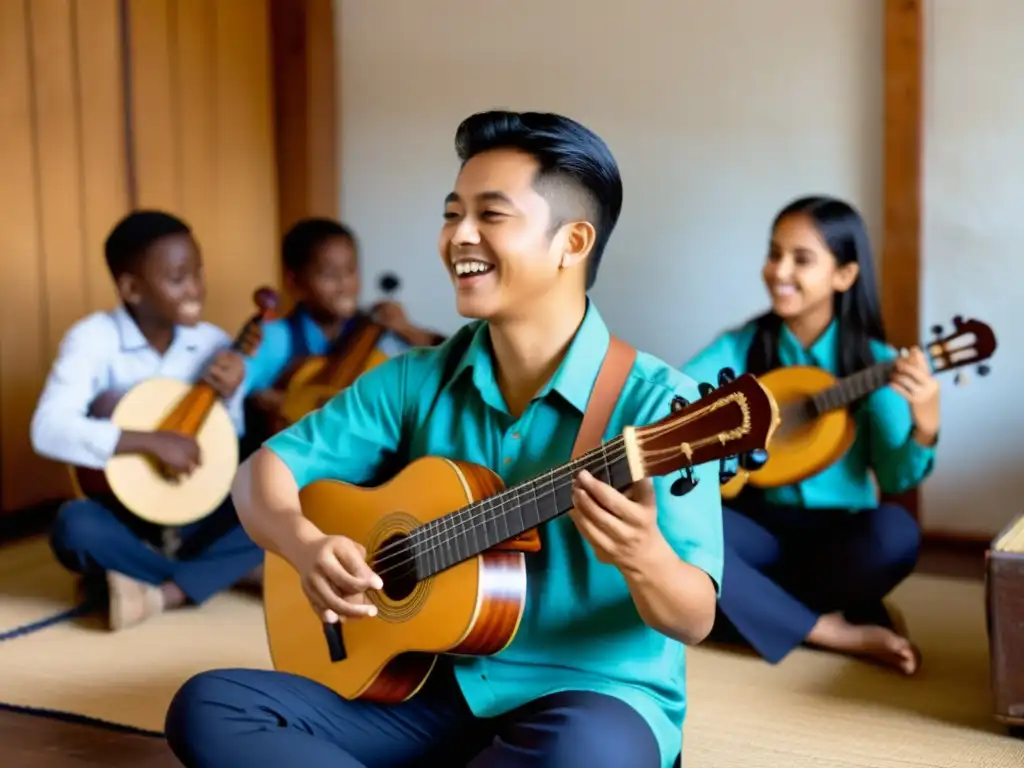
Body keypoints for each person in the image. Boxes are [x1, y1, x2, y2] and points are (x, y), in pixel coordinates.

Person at [164, 111, 724, 768]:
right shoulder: (412, 381)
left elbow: (693, 619)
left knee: (585, 755)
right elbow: (262, 472)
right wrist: (305, 544)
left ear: (572, 242)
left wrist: (644, 556)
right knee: (209, 705)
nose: (458, 236)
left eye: (491, 215)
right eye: (452, 212)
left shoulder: (663, 405)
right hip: (424, 685)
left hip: (589, 699)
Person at [682, 195, 939, 676]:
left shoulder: (874, 363)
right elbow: (678, 403)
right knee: (678, 530)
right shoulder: (743, 346)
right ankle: (831, 630)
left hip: (836, 537)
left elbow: (894, 475)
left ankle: (753, 607)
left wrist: (926, 422)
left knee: (897, 534)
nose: (779, 270)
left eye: (801, 259)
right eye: (774, 252)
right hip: (753, 525)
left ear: (843, 275)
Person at [30, 210, 266, 631]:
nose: (195, 288)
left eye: (198, 272)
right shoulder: (93, 338)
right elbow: (47, 428)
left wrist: (231, 398)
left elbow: (225, 443)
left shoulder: (212, 342)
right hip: (127, 515)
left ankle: (154, 591)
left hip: (197, 510)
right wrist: (146, 441)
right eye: (177, 278)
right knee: (74, 526)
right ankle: (219, 573)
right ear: (132, 288)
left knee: (278, 501)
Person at [243, 217, 444, 444]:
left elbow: (450, 361)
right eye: (329, 275)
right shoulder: (275, 337)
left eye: (351, 271)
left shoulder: (375, 332)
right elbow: (244, 393)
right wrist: (290, 403)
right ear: (294, 283)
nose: (344, 285)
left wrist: (407, 329)